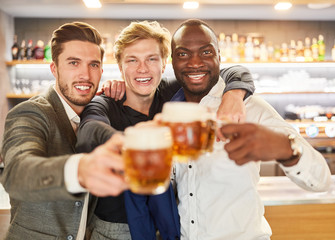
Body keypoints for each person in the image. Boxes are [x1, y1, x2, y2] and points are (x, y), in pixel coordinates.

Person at [76, 20, 255, 239]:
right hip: (117, 230)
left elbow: (232, 71)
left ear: (164, 64)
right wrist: (139, 142)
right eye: (132, 60)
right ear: (120, 66)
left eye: (151, 59)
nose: (143, 69)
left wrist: (234, 93)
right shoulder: (104, 103)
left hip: (171, 224)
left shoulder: (172, 95)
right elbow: (88, 134)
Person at [169, 19, 332, 239]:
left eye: (206, 52)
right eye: (183, 54)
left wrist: (286, 149)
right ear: (172, 61)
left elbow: (321, 180)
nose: (194, 62)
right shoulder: (168, 111)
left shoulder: (249, 107)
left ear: (219, 56)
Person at [0, 22, 129, 240]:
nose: (85, 75)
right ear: (54, 69)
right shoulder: (30, 113)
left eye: (94, 65)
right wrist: (79, 170)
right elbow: (17, 173)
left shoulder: (100, 113)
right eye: (73, 63)